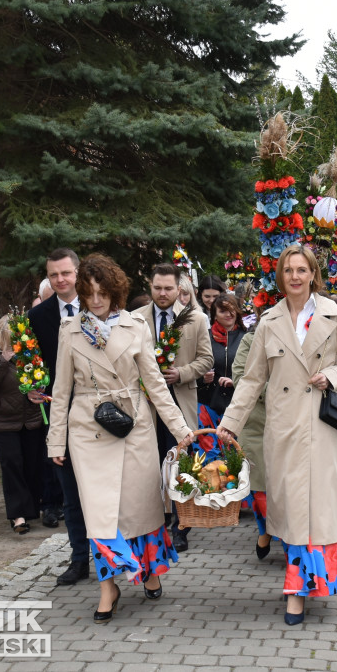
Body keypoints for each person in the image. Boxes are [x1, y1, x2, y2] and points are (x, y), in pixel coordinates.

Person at [216, 244, 337, 625]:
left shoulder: (335, 315)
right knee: (291, 509)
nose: (295, 277)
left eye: (302, 270)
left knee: (317, 508)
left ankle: (301, 588)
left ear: (313, 275)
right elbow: (251, 380)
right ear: (280, 276)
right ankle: (300, 584)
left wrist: (332, 376)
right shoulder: (268, 322)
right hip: (282, 428)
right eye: (288, 271)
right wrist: (230, 422)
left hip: (320, 426)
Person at [47, 253, 194, 623]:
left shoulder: (136, 327)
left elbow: (156, 385)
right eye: (89, 293)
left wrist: (181, 431)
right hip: (88, 430)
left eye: (103, 293)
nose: (96, 301)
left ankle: (150, 569)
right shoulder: (69, 330)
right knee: (101, 513)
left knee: (139, 508)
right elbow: (60, 390)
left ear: (117, 292)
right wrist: (56, 441)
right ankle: (108, 585)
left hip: (134, 427)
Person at [132, 263, 213, 552]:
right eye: (157, 288)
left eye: (168, 288)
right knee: (150, 464)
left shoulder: (195, 318)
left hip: (180, 402)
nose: (163, 293)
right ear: (150, 287)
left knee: (180, 465)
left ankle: (181, 526)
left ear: (179, 289)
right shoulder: (135, 319)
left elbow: (206, 359)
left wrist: (183, 372)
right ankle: (155, 522)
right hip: (145, 406)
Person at [27, 248, 90, 585]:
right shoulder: (37, 318)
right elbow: (33, 366)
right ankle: (80, 559)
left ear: (78, 273)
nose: (60, 279)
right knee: (70, 494)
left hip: (101, 417)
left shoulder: (100, 308)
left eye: (65, 273)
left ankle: (118, 559)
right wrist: (31, 389)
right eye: (54, 275)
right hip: (61, 417)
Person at [0, 315, 46, 534]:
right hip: (3, 420)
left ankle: (31, 509)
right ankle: (18, 515)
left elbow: (41, 377)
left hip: (30, 419)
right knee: (12, 465)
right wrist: (2, 362)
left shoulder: (30, 353)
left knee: (32, 466)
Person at [230, 314, 271, 560]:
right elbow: (241, 378)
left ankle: (289, 539)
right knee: (259, 488)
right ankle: (265, 530)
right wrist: (283, 391)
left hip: (291, 425)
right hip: (256, 425)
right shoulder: (250, 340)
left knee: (287, 489)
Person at [198, 293, 246, 415]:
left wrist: (235, 381)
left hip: (238, 403)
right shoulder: (205, 337)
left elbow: (254, 371)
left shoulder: (246, 337)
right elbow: (194, 367)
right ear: (215, 316)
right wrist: (203, 379)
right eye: (223, 311)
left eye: (232, 310)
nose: (229, 314)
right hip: (208, 403)